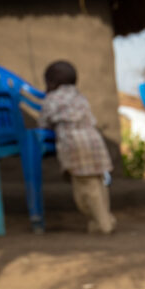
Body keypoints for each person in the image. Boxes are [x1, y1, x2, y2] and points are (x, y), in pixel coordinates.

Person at [39, 61, 116, 234]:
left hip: (75, 146)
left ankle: (103, 223)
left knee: (84, 191)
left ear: (50, 82)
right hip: (95, 142)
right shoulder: (80, 97)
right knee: (98, 184)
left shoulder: (52, 99)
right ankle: (105, 218)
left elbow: (43, 122)